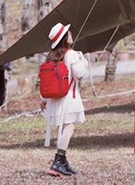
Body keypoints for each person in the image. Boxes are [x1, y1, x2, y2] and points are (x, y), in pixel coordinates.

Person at [42, 22, 88, 177]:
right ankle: (58, 162)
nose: (71, 35)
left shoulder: (52, 55)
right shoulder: (72, 54)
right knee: (68, 128)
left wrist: (44, 99)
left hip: (56, 99)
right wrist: (83, 60)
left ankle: (63, 162)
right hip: (69, 98)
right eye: (68, 33)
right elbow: (79, 73)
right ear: (64, 38)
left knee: (63, 128)